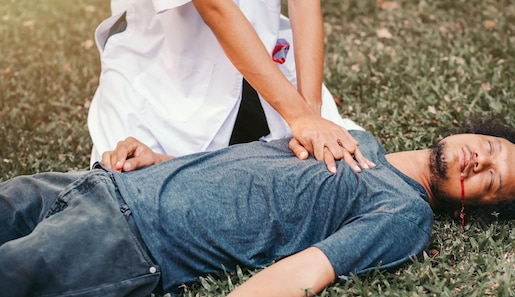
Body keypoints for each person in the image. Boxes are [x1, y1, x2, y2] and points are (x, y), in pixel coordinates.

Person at [0, 118, 515, 297]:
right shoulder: (354, 136)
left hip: (128, 240)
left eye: (491, 178)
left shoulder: (403, 216)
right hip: (98, 182)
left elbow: (306, 273)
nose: (480, 159)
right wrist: (162, 161)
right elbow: (247, 160)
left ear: (473, 205)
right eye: (492, 147)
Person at [89, 0, 372, 173]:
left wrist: (311, 113)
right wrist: (299, 117)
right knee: (136, 186)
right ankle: (165, 163)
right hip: (164, 74)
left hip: (263, 55)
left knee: (346, 164)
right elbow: (214, 7)